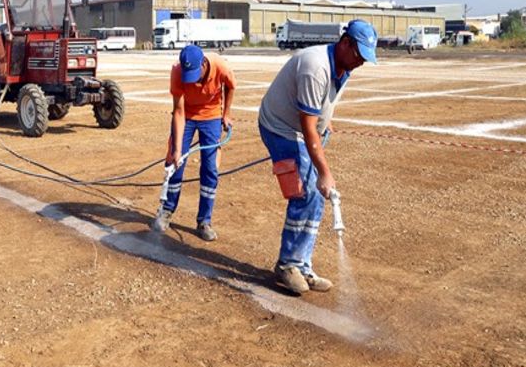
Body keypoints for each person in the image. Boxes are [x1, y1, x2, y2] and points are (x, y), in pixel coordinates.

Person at [258, 19, 377, 294]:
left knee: (317, 194)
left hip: (304, 128)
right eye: (359, 55)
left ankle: (302, 263)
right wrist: (324, 171)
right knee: (305, 192)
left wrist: (326, 122)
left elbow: (318, 112)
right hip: (281, 127)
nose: (361, 62)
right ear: (345, 43)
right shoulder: (315, 66)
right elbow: (306, 126)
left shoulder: (344, 65)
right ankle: (287, 265)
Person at [151, 45, 236, 241]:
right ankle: (166, 211)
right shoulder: (177, 71)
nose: (193, 79)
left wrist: (226, 114)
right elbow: (179, 112)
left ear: (204, 64)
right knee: (174, 164)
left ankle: (204, 221)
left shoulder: (220, 66)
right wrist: (178, 150)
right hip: (186, 115)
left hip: (211, 115)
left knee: (210, 168)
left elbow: (231, 86)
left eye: (195, 73)